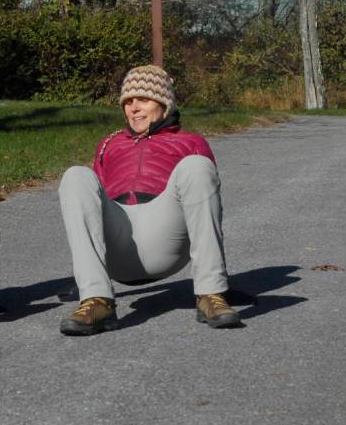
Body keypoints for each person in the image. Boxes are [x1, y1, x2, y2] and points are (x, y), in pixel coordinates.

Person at [57, 65, 239, 336]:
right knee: (76, 176)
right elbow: (91, 204)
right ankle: (95, 298)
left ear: (164, 104)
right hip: (118, 239)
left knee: (197, 166)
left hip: (165, 232)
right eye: (128, 101)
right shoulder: (109, 143)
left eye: (143, 99)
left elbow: (207, 208)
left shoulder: (191, 142)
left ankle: (211, 294)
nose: (134, 108)